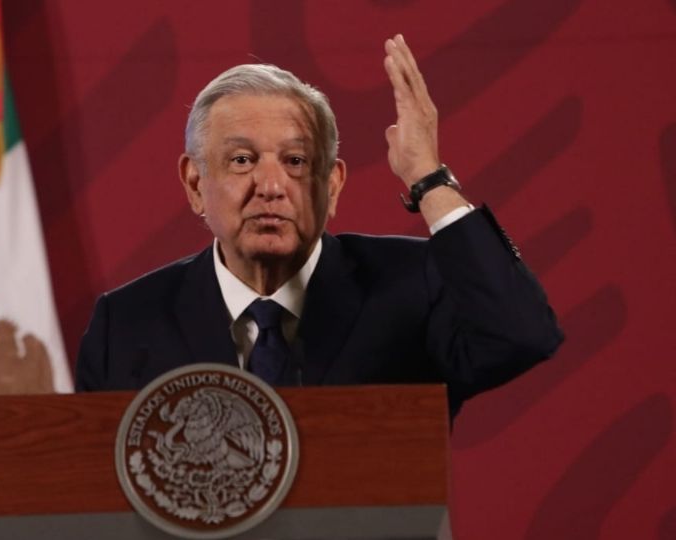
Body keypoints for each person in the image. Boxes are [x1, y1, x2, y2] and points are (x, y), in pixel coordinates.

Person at [75, 35, 563, 417]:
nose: (271, 185)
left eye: (296, 161)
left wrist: (428, 178)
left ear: (332, 185)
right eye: (243, 160)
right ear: (195, 183)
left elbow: (522, 335)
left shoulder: (413, 287)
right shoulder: (126, 324)